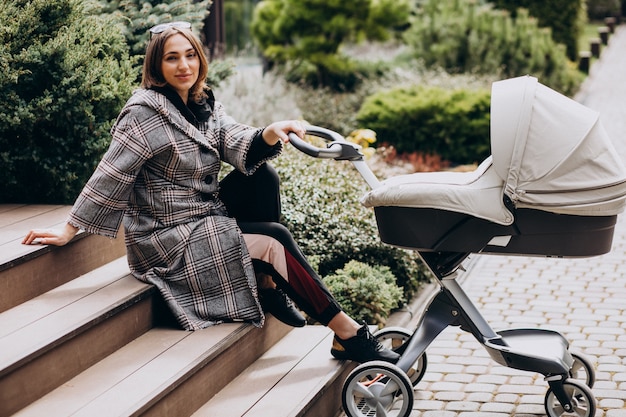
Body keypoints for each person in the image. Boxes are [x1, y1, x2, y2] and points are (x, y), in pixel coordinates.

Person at [22, 21, 399, 364]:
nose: (183, 66)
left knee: (262, 175)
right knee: (273, 240)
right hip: (166, 236)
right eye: (172, 58)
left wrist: (272, 129)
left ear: (200, 60)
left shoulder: (203, 102)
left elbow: (233, 138)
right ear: (156, 67)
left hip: (203, 214)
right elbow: (110, 173)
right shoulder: (142, 113)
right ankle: (348, 335)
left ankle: (267, 284)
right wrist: (70, 229)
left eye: (190, 56)